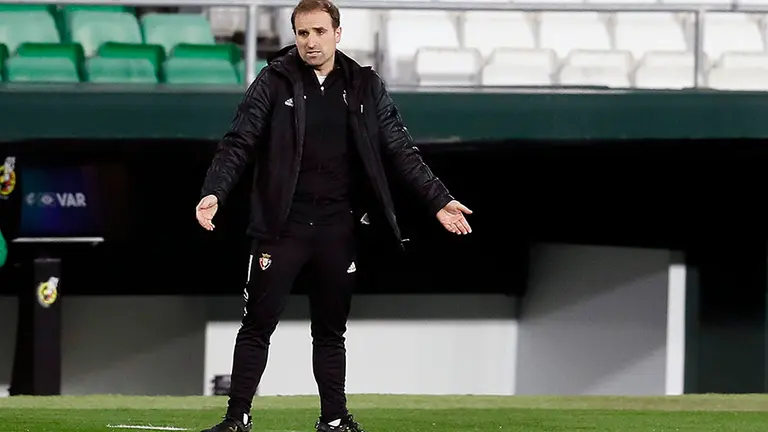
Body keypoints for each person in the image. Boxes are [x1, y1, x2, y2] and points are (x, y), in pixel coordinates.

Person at [195, 0, 472, 431]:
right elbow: (238, 142)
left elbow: (399, 148)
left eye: (319, 32)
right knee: (257, 326)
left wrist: (438, 199)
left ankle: (334, 420)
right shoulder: (273, 81)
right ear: (295, 36)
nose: (311, 42)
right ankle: (237, 418)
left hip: (337, 229)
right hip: (280, 227)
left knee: (330, 332)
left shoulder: (364, 84)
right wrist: (214, 191)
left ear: (338, 33)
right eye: (303, 33)